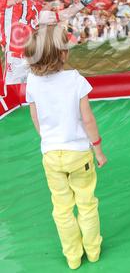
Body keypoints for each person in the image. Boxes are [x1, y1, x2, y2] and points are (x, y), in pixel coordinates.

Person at [24, 25, 107, 270]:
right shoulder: (75, 80)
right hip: (78, 153)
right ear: (63, 54)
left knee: (61, 208)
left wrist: (47, 139)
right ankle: (92, 250)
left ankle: (72, 256)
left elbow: (34, 115)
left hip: (51, 155)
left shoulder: (32, 81)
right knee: (86, 202)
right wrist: (98, 149)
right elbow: (88, 119)